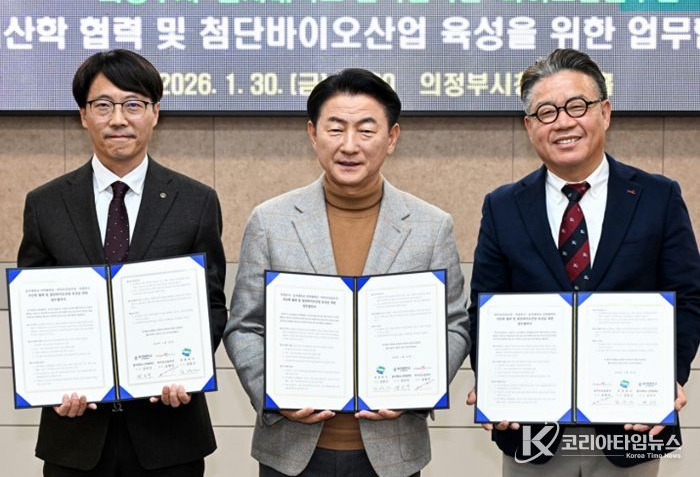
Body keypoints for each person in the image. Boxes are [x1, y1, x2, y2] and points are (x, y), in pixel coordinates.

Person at [224, 68, 469, 477]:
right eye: (335, 129)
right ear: (313, 134)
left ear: (392, 138)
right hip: (290, 450)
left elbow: (454, 325)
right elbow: (244, 326)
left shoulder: (431, 225)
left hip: (392, 452)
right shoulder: (270, 221)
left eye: (366, 130)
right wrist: (274, 395)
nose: (349, 145)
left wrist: (417, 390)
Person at [466, 48, 700, 475]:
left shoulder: (658, 196)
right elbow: (485, 306)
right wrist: (495, 384)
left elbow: (688, 297)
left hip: (631, 423)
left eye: (577, 106)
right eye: (546, 112)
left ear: (605, 113)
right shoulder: (502, 206)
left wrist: (669, 375)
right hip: (532, 428)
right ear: (529, 126)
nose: (563, 122)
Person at [17, 49, 227, 476]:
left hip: (170, 433)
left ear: (155, 113)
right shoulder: (45, 204)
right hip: (74, 434)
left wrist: (187, 369)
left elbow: (212, 304)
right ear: (83, 115)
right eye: (103, 105)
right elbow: (33, 312)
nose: (118, 119)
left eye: (133, 104)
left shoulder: (196, 201)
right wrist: (52, 383)